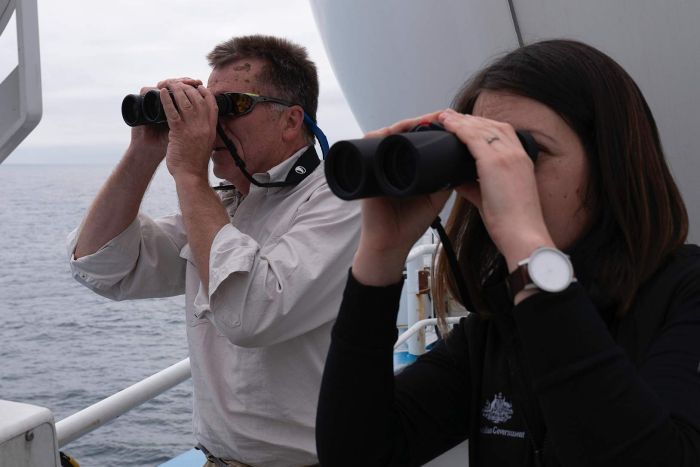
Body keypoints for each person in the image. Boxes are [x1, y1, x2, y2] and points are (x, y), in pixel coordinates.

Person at [315, 39, 700, 466]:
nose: (502, 177)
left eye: (525, 152)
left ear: (610, 162)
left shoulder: (685, 294)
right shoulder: (499, 326)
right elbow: (356, 453)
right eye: (486, 157)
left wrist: (529, 252)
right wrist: (379, 255)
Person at [67, 35, 360, 466]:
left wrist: (188, 174)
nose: (212, 123)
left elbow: (253, 314)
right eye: (207, 103)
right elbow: (103, 265)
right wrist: (144, 150)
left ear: (291, 120)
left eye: (232, 106)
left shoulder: (340, 202)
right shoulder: (225, 206)